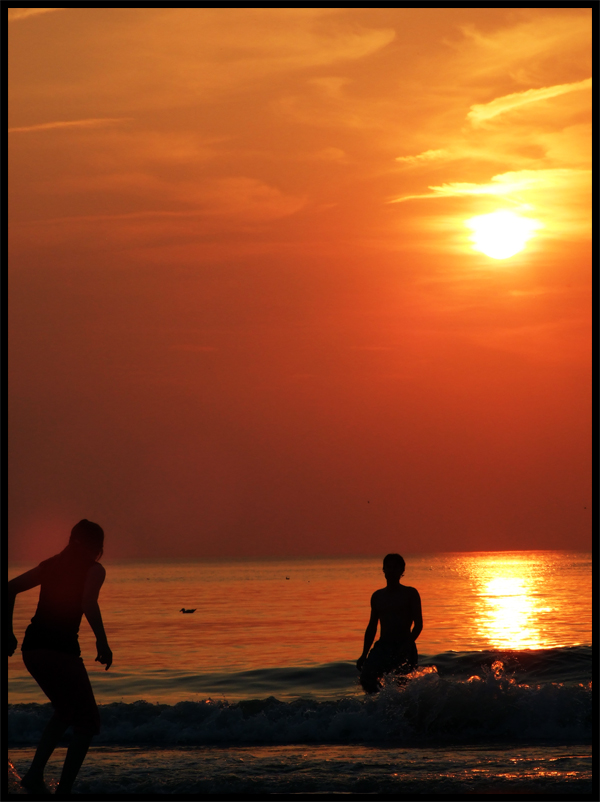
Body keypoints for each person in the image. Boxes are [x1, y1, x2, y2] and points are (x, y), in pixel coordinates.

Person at [6, 520, 112, 796]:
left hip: (32, 650)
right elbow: (88, 601)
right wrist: (102, 641)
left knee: (65, 711)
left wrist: (7, 632)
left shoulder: (50, 565)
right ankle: (64, 790)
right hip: (60, 651)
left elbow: (8, 589)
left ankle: (33, 776)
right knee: (88, 722)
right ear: (97, 547)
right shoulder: (94, 569)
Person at [356, 553, 422, 693]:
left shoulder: (410, 594)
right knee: (366, 678)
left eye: (395, 568)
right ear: (383, 570)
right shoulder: (378, 596)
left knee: (399, 685)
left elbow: (418, 625)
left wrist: (406, 646)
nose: (392, 571)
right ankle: (381, 704)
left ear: (402, 571)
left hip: (404, 646)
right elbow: (372, 627)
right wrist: (364, 654)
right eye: (389, 568)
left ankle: (397, 708)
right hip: (383, 647)